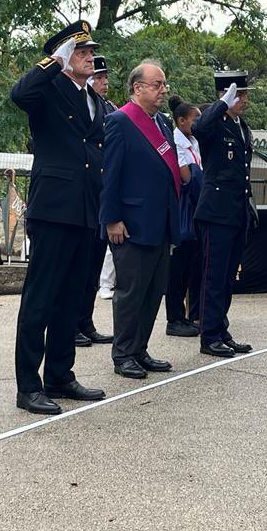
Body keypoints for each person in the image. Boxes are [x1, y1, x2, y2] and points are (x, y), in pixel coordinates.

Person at [11, 20, 106, 415]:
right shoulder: (47, 89)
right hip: (54, 208)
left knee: (72, 297)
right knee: (41, 298)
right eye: (80, 52)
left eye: (89, 52)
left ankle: (61, 375)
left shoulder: (96, 99)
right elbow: (19, 94)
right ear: (64, 56)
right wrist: (52, 61)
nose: (90, 57)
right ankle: (28, 385)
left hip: (87, 209)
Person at [100, 62, 182, 379]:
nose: (163, 90)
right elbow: (110, 175)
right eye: (157, 84)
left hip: (160, 221)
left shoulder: (161, 122)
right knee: (130, 293)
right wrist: (112, 219)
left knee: (152, 291)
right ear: (138, 87)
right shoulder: (120, 121)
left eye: (164, 84)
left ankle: (139, 349)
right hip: (131, 223)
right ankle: (122, 354)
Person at [192, 71, 256, 358]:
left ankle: (221, 328)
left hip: (236, 211)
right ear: (224, 95)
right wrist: (220, 105)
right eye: (237, 94)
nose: (243, 99)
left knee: (229, 277)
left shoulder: (242, 126)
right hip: (216, 213)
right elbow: (199, 128)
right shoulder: (214, 123)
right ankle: (209, 335)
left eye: (244, 94)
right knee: (213, 277)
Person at [75, 55, 115, 347]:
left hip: (100, 199)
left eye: (104, 77)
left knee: (92, 268)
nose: (104, 82)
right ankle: (71, 323)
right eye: (99, 77)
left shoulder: (108, 109)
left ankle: (85, 321)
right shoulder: (78, 106)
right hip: (80, 198)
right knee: (75, 270)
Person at [164, 96, 202, 338]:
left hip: (196, 208)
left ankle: (191, 315)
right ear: (181, 121)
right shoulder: (175, 142)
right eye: (194, 119)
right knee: (176, 269)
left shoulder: (194, 141)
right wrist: (200, 179)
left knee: (192, 265)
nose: (197, 123)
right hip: (182, 208)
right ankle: (174, 317)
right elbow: (187, 176)